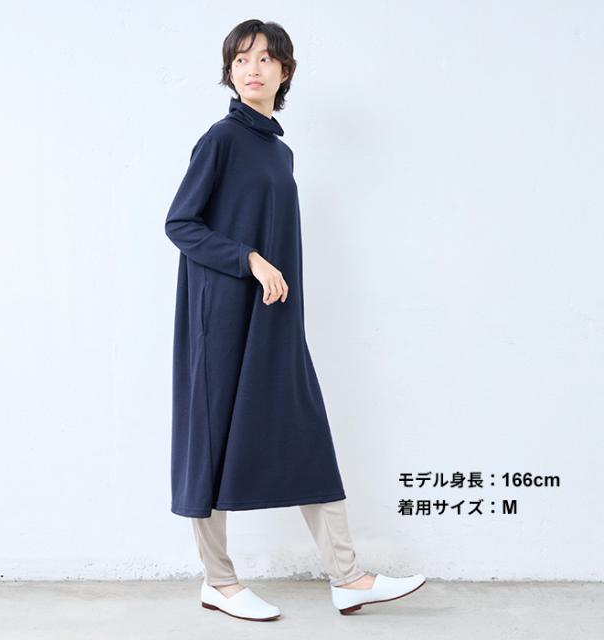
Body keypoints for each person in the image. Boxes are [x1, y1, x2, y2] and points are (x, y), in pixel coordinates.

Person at [164, 19, 425, 621]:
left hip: (273, 318)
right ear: (229, 72)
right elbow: (180, 223)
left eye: (265, 58)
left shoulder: (279, 151)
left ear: (285, 71)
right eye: (241, 59)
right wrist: (249, 259)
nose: (252, 68)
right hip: (220, 317)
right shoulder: (221, 139)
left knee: (305, 430)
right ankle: (218, 581)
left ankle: (348, 577)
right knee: (211, 440)